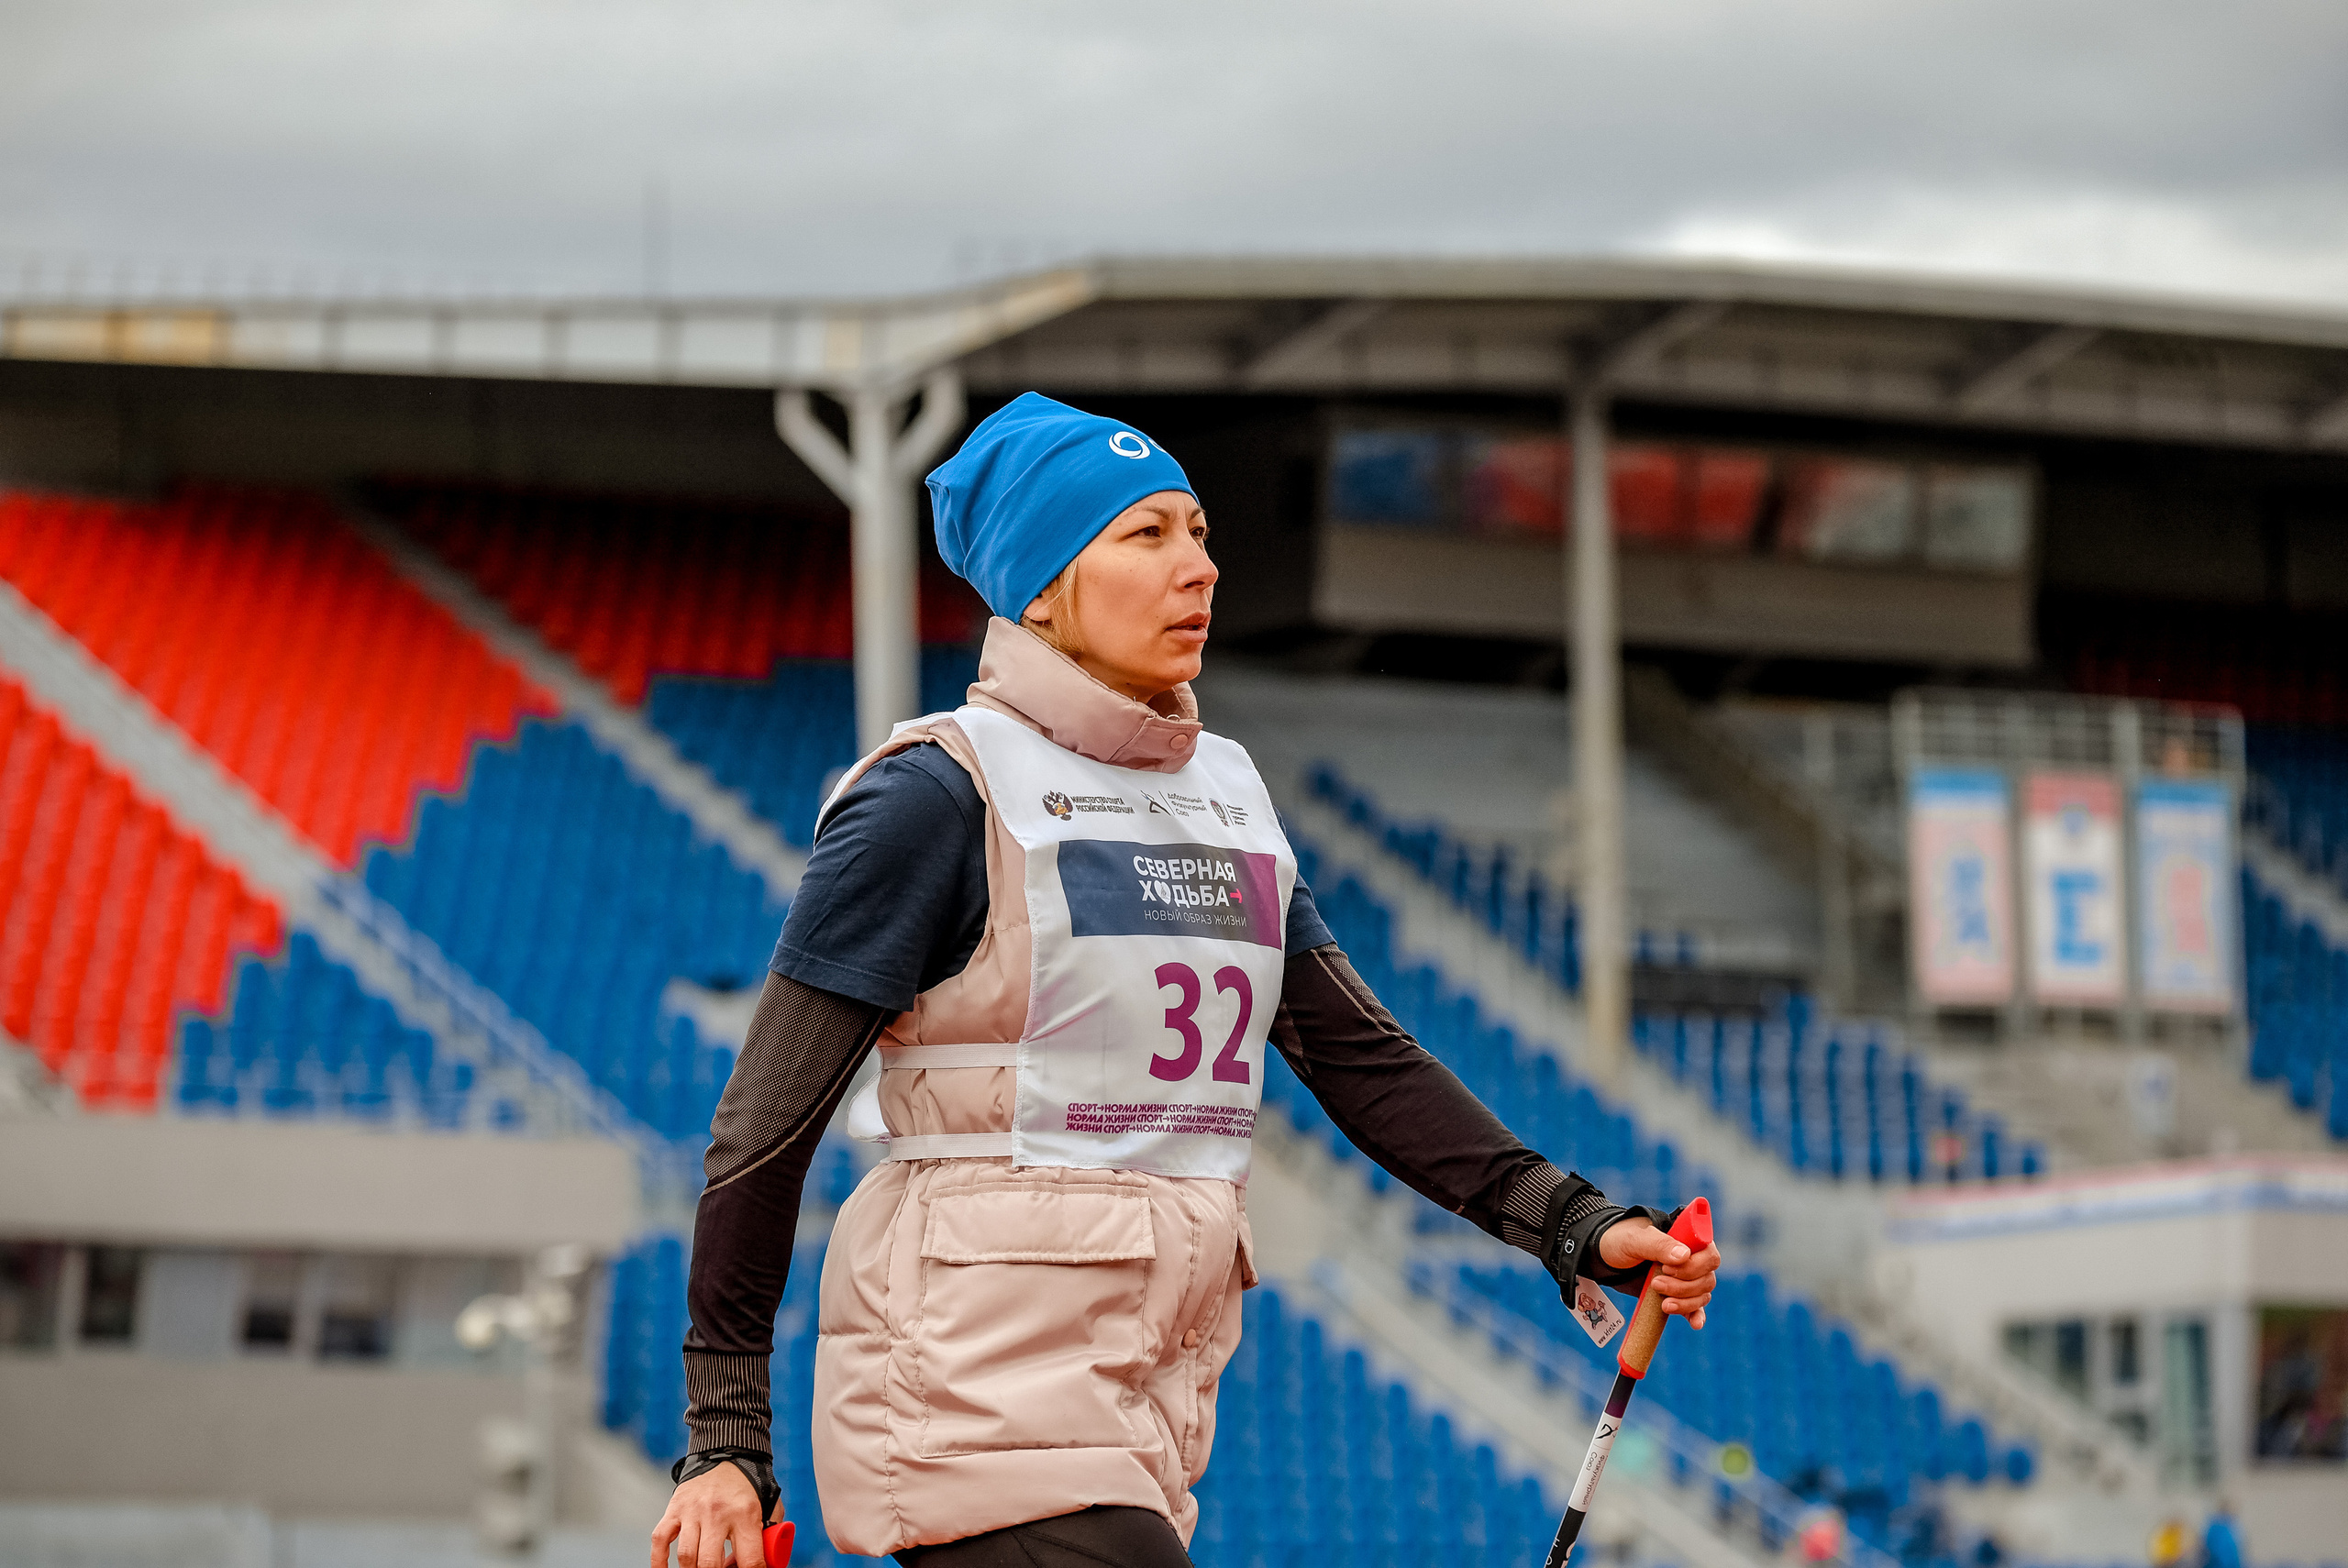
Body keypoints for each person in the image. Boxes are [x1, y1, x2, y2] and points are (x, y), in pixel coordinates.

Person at [650, 392, 1722, 1568]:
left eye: (1200, 532)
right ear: (1043, 586)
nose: (1197, 568)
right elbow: (763, 1128)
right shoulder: (933, 795)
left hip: (1147, 1393)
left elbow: (1358, 1058)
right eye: (1145, 534)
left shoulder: (1229, 799)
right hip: (965, 1384)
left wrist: (1574, 1223)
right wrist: (723, 1444)